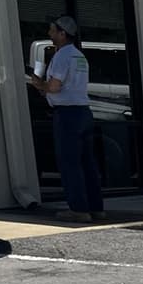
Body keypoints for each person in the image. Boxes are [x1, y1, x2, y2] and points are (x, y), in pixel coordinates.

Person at [29, 15, 105, 223]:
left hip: (67, 115)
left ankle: (78, 209)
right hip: (83, 112)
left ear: (63, 34)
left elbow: (54, 86)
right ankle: (95, 207)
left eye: (53, 30)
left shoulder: (61, 56)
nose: (50, 34)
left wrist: (39, 85)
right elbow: (69, 87)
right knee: (87, 162)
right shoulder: (80, 56)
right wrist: (50, 92)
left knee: (69, 163)